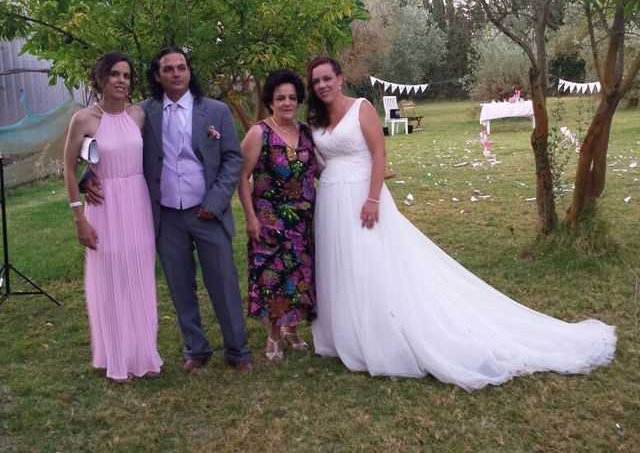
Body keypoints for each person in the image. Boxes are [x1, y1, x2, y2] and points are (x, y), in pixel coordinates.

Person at [306, 56, 617, 391]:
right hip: (331, 199)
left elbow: (379, 155)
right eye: (316, 81)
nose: (322, 85)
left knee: (372, 265)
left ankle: (383, 334)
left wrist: (372, 198)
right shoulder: (315, 118)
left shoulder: (361, 108)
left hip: (363, 197)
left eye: (327, 78)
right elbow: (321, 162)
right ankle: (349, 333)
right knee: (342, 266)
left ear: (339, 78)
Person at [85, 47, 252, 373]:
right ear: (157, 75)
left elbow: (233, 159)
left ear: (189, 71)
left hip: (208, 212)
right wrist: (86, 174)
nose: (176, 73)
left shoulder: (216, 112)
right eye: (168, 69)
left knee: (224, 284)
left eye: (182, 68)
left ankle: (238, 351)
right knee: (180, 284)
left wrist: (215, 202)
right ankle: (196, 348)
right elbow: (104, 140)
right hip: (164, 214)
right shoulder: (143, 113)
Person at [63, 51, 163, 383]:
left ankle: (144, 353)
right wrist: (79, 216)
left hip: (137, 202)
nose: (122, 81)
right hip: (104, 205)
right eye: (115, 74)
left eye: (127, 75)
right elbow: (68, 167)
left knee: (138, 276)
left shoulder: (139, 115)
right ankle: (117, 356)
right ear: (101, 78)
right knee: (111, 279)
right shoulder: (85, 119)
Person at [237, 70, 317, 361]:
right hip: (271, 221)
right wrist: (250, 218)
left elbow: (319, 170)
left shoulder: (306, 132)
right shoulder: (260, 132)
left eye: (292, 98)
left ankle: (292, 329)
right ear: (270, 101)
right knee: (274, 278)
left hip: (304, 220)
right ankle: (274, 335)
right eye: (280, 98)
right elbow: (241, 177)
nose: (287, 103)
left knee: (300, 276)